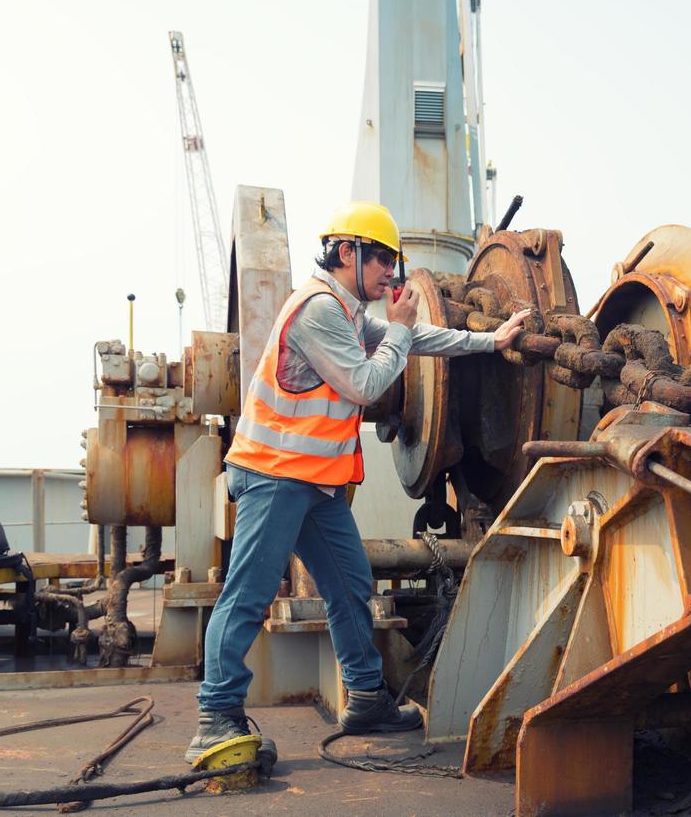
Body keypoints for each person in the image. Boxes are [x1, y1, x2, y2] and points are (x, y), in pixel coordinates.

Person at [187, 202, 529, 765]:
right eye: (382, 263)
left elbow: (415, 341)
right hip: (275, 474)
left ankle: (366, 697)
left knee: (350, 587)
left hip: (314, 483)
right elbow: (369, 384)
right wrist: (395, 330)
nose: (391, 277)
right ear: (348, 252)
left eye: (394, 266)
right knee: (247, 593)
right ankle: (216, 716)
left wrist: (490, 343)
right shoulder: (319, 310)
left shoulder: (346, 311)